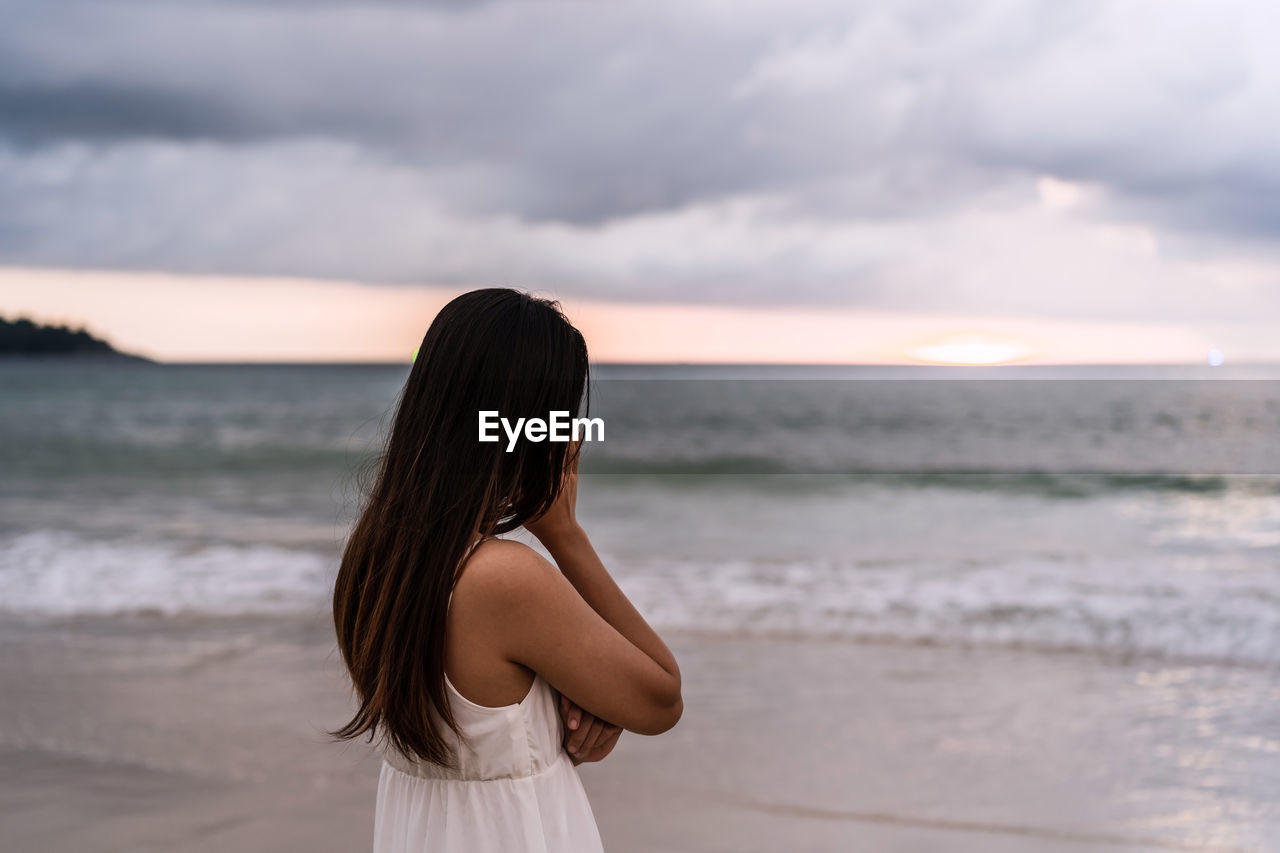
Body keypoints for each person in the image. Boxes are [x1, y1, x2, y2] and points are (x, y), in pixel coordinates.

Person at [332, 288, 683, 852]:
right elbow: (662, 698)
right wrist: (565, 534)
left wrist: (588, 701)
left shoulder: (376, 556)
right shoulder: (501, 578)